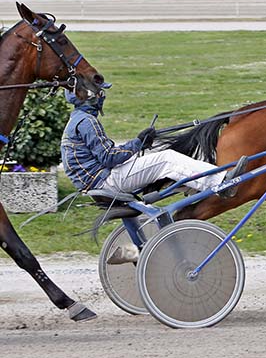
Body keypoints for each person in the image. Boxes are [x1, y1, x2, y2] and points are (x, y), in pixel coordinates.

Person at [60, 85, 247, 263]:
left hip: (99, 181)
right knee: (167, 159)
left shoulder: (77, 119)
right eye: (99, 92)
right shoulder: (87, 122)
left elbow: (104, 155)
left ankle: (195, 192)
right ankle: (221, 182)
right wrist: (138, 143)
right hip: (107, 181)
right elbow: (109, 156)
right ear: (90, 97)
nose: (102, 96)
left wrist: (140, 143)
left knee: (162, 164)